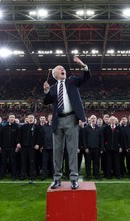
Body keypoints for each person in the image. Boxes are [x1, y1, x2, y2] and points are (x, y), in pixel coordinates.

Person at [43, 55, 90, 189]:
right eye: (59, 69)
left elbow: (86, 77)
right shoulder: (52, 88)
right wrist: (46, 91)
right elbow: (46, 102)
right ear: (55, 74)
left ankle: (74, 178)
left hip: (72, 119)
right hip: (58, 121)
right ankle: (57, 178)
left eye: (63, 68)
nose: (63, 69)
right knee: (57, 150)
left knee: (72, 149)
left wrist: (82, 64)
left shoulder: (72, 81)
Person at [17, 114, 40, 182]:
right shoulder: (23, 127)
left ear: (34, 119)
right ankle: (23, 175)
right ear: (27, 119)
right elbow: (19, 136)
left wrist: (37, 144)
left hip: (32, 147)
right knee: (23, 162)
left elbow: (39, 137)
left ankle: (32, 175)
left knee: (32, 162)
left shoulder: (36, 127)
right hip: (23, 147)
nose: (30, 119)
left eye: (32, 118)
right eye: (29, 118)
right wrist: (18, 142)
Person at [0, 113, 20, 180]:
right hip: (4, 147)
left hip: (13, 147)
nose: (12, 118)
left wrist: (17, 146)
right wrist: (0, 146)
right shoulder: (4, 127)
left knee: (13, 161)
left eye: (13, 117)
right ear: (8, 119)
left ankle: (14, 175)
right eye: (11, 117)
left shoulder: (17, 127)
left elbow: (18, 137)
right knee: (3, 161)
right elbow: (0, 137)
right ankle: (1, 174)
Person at [83, 115, 104, 180]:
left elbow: (101, 139)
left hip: (97, 149)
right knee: (88, 163)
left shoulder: (99, 129)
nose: (93, 119)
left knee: (96, 163)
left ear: (96, 119)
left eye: (94, 118)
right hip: (88, 149)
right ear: (90, 119)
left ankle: (97, 175)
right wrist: (85, 147)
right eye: (92, 118)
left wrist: (101, 148)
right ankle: (88, 175)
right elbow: (84, 139)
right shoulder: (86, 128)